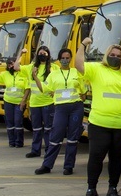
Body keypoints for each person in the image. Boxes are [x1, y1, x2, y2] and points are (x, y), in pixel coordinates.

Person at [75, 37, 121, 196]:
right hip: (99, 124)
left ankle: (113, 189)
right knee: (95, 158)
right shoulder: (96, 69)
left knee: (116, 159)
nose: (115, 57)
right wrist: (83, 45)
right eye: (112, 55)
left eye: (119, 56)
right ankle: (91, 190)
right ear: (106, 55)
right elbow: (78, 64)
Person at [36, 47, 85, 175]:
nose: (65, 60)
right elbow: (44, 88)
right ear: (58, 59)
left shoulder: (76, 72)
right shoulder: (53, 74)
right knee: (55, 136)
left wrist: (83, 95)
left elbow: (84, 90)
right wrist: (35, 77)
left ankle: (68, 166)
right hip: (60, 108)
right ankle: (47, 165)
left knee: (72, 138)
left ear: (71, 59)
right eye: (62, 58)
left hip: (76, 107)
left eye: (67, 58)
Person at [20, 46, 55, 158]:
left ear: (48, 55)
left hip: (48, 103)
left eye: (44, 54)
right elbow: (16, 66)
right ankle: (35, 150)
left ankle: (49, 150)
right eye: (40, 53)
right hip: (35, 104)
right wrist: (21, 54)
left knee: (48, 128)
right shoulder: (31, 67)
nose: (42, 55)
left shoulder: (54, 67)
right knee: (36, 128)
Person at [0, 54, 31, 147]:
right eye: (8, 64)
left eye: (12, 64)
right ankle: (11, 142)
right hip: (8, 101)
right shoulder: (5, 74)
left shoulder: (23, 74)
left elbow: (27, 88)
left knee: (18, 121)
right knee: (9, 121)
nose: (10, 66)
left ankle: (19, 142)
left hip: (19, 103)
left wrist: (23, 101)